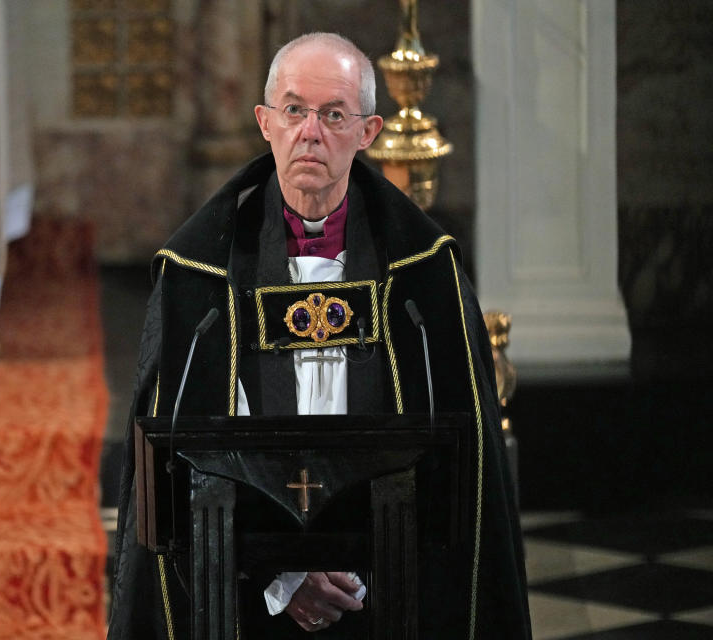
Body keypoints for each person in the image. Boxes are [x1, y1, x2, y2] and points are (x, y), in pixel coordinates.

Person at [108, 32, 531, 638]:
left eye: (334, 114)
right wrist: (286, 575)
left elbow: (461, 465)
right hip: (244, 593)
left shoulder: (423, 275)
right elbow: (184, 460)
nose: (311, 131)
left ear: (368, 133)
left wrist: (361, 564)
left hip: (387, 589)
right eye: (294, 109)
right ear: (265, 123)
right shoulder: (201, 276)